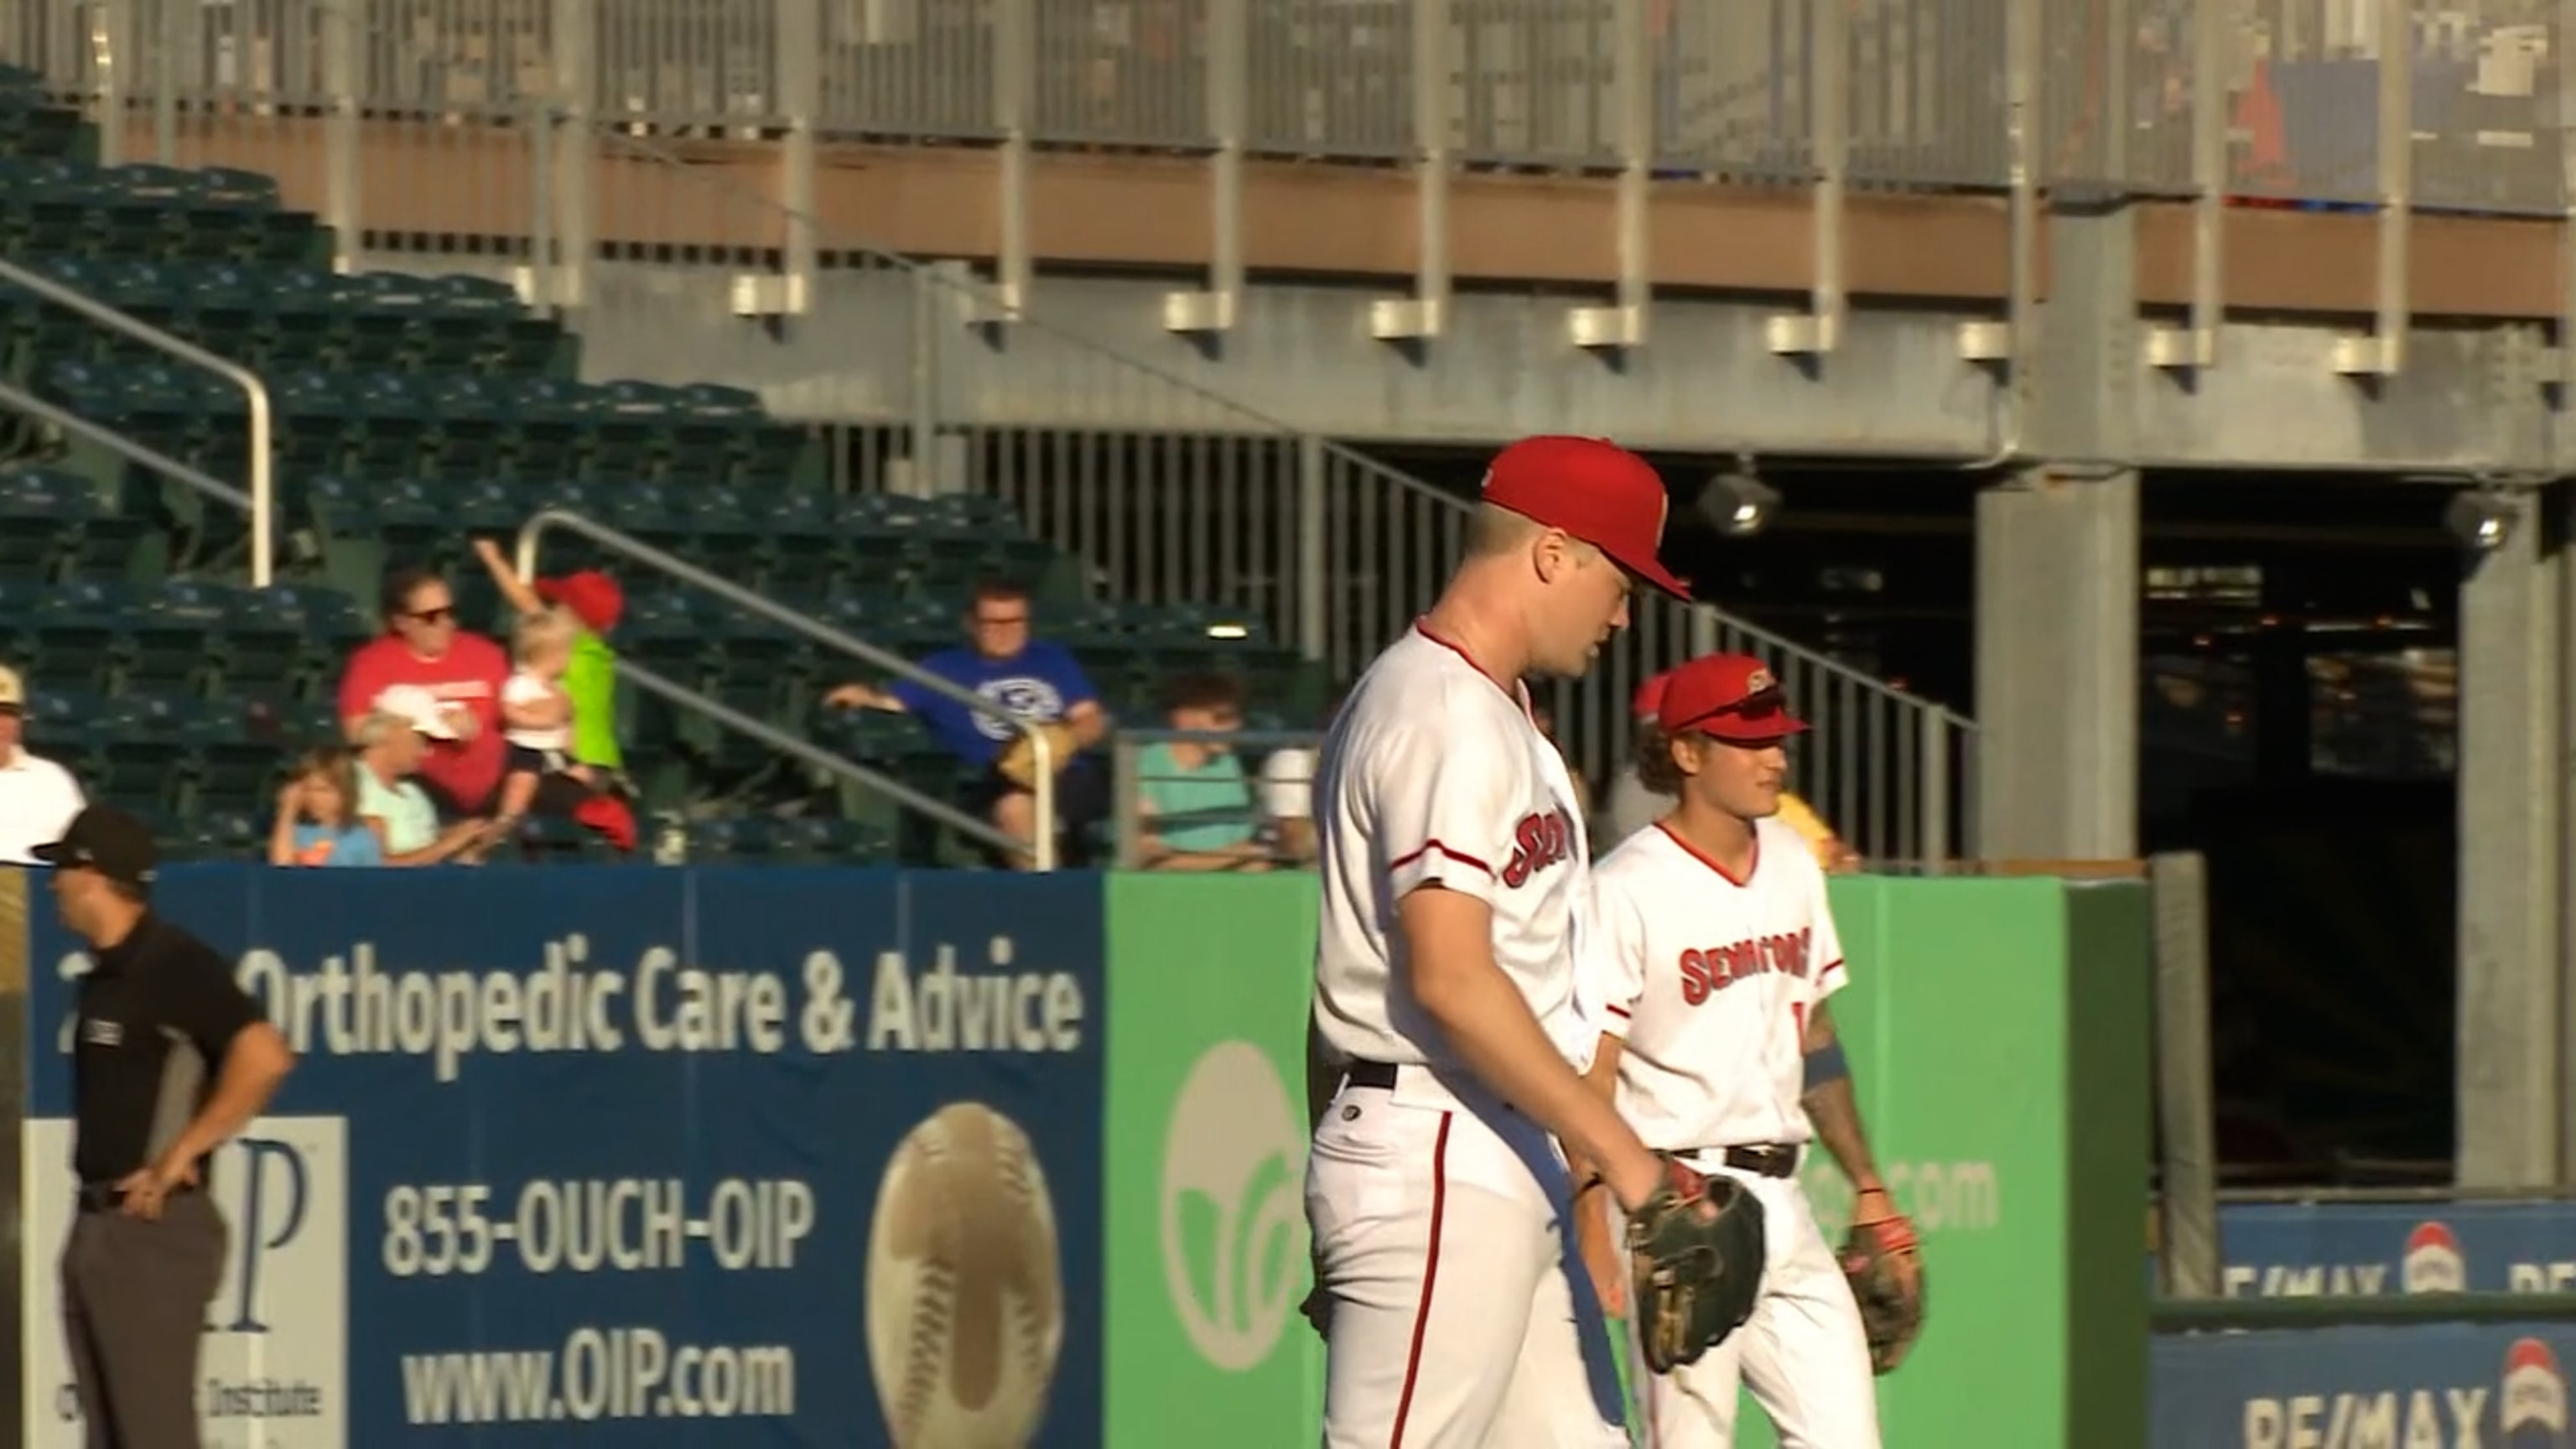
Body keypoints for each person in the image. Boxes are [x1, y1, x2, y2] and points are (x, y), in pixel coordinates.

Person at [1303, 434, 1706, 1446]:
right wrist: (1626, 1156)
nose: (1624, 613)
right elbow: (1447, 978)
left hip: (1477, 1146)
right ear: (1553, 553)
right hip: (1437, 1147)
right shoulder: (1439, 712)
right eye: (1621, 582)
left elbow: (1352, 985)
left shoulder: (1490, 713)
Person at [1575, 652, 1907, 1448]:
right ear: (1686, 753)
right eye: (1748, 741)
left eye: (1778, 739)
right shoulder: (1624, 887)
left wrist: (1867, 1184)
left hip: (1786, 1199)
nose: (1775, 758)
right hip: (1678, 1200)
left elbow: (1815, 1037)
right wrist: (1592, 1218)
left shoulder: (1792, 862)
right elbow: (1593, 1070)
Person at [40, 804, 297, 1449]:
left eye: (61, 870)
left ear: (92, 874)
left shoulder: (175, 963)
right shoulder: (103, 975)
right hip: (98, 1224)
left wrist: (182, 1151)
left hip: (153, 1234)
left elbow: (264, 1055)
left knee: (154, 1434)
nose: (52, 885)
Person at [823, 577, 1113, 868]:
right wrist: (861, 697)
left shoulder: (1051, 659)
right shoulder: (944, 667)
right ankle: (1052, 902)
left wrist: (1060, 743)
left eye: (1016, 622)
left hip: (1065, 775)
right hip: (988, 779)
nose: (1006, 632)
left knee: (1137, 804)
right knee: (1015, 809)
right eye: (994, 624)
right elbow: (891, 706)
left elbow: (1089, 717)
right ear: (971, 623)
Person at [336, 567, 510, 817]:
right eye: (431, 617)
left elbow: (514, 717)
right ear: (401, 622)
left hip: (493, 787)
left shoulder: (485, 654)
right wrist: (419, 727)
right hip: (418, 784)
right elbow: (356, 732)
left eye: (450, 613)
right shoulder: (373, 663)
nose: (445, 624)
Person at [1133, 670, 1270, 870]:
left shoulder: (1227, 762)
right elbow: (1151, 857)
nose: (1235, 726)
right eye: (1222, 717)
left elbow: (1243, 842)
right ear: (1183, 718)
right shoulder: (1146, 762)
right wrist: (1230, 857)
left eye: (1237, 717)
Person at [0, 662, 84, 863]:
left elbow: (79, 847)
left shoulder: (51, 779)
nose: (1, 723)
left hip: (37, 887)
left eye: (8, 713)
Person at [266, 745, 384, 867]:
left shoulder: (361, 838)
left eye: (324, 790)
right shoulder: (295, 832)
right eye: (307, 789)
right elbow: (281, 867)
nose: (314, 798)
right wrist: (288, 810)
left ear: (345, 792)